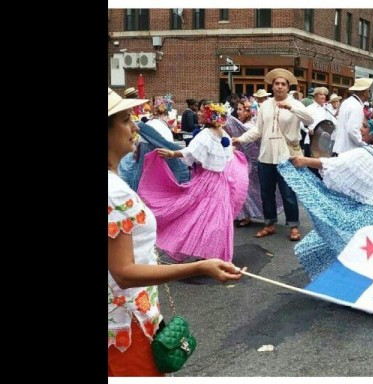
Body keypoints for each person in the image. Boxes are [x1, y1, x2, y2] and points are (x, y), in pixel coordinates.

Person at [107, 87, 244, 377]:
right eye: (124, 120)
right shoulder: (113, 192)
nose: (135, 127)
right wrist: (199, 267)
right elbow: (124, 271)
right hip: (124, 319)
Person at [279, 108, 373, 279]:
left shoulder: (367, 153)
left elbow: (334, 165)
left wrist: (303, 161)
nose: (360, 129)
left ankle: (351, 287)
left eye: (364, 126)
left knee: (332, 238)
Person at [137, 102, 249, 263]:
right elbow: (226, 154)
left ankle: (205, 252)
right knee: (216, 218)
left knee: (193, 213)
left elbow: (191, 152)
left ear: (209, 116)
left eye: (203, 112)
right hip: (221, 181)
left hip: (208, 181)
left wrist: (172, 153)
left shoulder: (206, 134)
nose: (199, 114)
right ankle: (209, 253)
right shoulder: (222, 133)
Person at [232, 68, 313, 241]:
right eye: (276, 84)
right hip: (266, 155)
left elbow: (309, 120)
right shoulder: (265, 105)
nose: (279, 87)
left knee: (288, 192)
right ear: (272, 86)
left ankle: (293, 225)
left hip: (286, 155)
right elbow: (257, 130)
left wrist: (290, 108)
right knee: (266, 192)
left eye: (283, 84)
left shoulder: (295, 104)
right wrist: (240, 139)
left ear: (288, 87)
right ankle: (269, 224)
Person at [224, 99, 284, 228]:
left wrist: (228, 118)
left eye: (240, 109)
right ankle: (243, 214)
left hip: (252, 163)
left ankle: (248, 216)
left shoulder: (250, 125)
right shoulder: (240, 124)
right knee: (241, 188)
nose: (238, 112)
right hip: (240, 161)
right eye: (237, 109)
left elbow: (245, 132)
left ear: (248, 112)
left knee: (248, 189)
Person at [332, 77, 373, 156]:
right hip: (348, 151)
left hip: (339, 148)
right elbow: (353, 130)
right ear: (364, 92)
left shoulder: (347, 102)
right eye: (369, 91)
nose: (369, 93)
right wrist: (364, 144)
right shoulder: (356, 106)